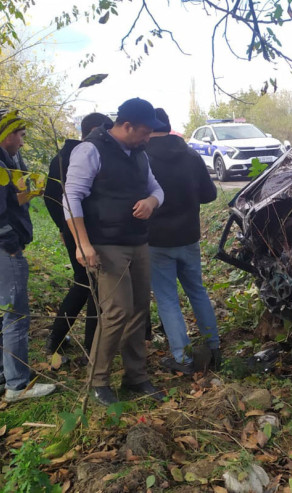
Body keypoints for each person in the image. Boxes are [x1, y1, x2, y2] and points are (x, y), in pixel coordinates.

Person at [63, 98, 166, 406]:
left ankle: (135, 377)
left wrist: (151, 202)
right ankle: (98, 380)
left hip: (137, 242)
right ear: (126, 126)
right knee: (117, 311)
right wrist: (82, 243)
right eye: (145, 131)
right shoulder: (91, 150)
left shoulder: (139, 154)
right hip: (106, 244)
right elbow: (71, 197)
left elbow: (156, 189)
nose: (148, 138)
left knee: (138, 311)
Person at [0, 110, 56, 402]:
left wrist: (29, 193)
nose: (22, 142)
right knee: (15, 317)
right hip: (0, 251)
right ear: (5, 134)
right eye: (20, 135)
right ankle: (17, 384)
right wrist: (13, 246)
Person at [145, 108, 221, 375]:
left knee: (167, 300)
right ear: (169, 125)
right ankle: (214, 346)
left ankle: (183, 359)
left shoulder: (142, 157)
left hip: (156, 241)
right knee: (197, 291)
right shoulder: (190, 154)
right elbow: (210, 195)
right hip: (189, 237)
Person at [44, 113, 114, 358]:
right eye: (107, 130)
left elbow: (49, 198)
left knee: (84, 284)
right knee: (92, 285)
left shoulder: (63, 156)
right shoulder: (77, 155)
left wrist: (63, 228)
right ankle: (90, 348)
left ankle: (58, 338)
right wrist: (66, 229)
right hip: (86, 233)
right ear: (95, 130)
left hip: (79, 231)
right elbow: (54, 197)